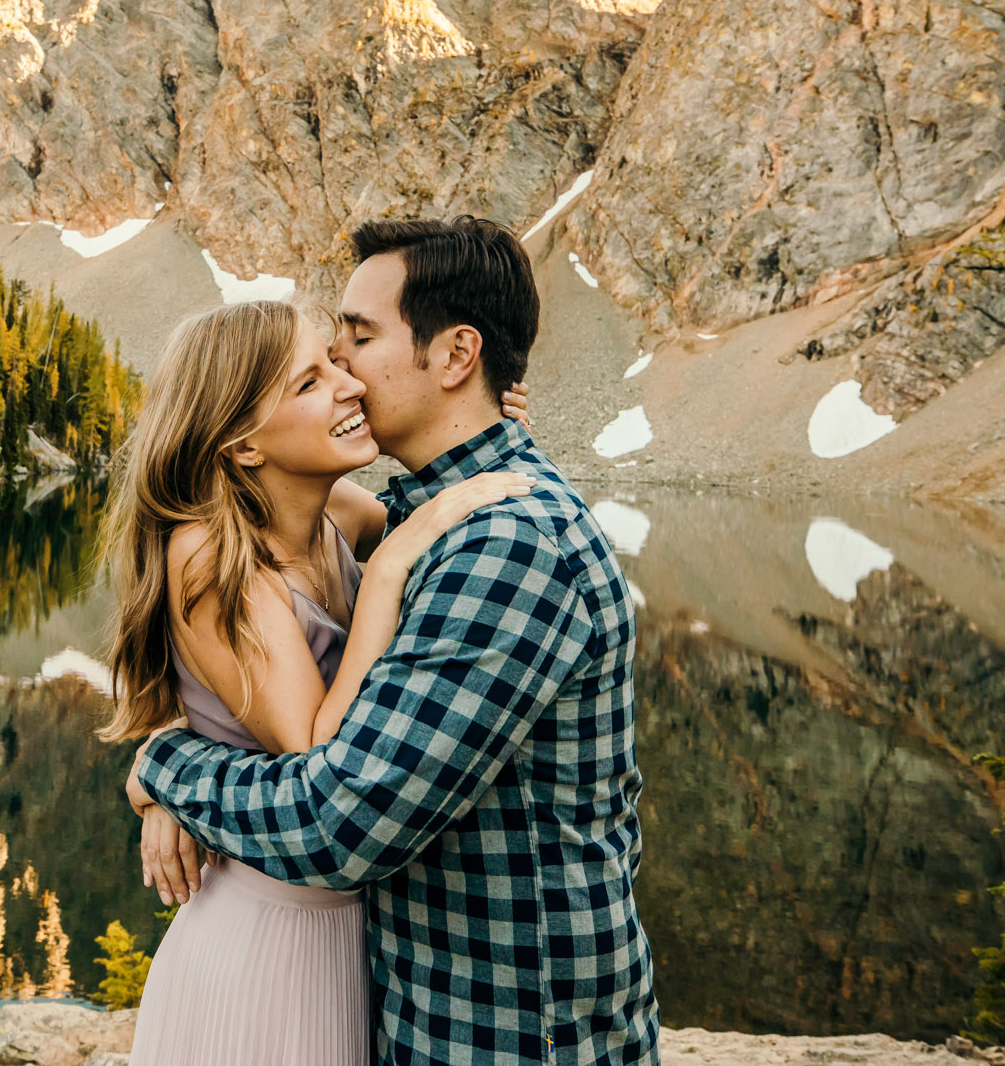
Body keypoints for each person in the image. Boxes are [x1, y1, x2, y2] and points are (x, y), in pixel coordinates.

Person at [127, 216, 659, 1066]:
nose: (345, 372)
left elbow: (337, 822)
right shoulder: (426, 516)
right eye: (322, 363)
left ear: (454, 357)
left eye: (358, 339)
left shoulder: (502, 546)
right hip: (395, 998)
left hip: (513, 1037)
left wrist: (170, 769)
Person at [101, 296, 533, 1066]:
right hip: (267, 944)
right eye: (309, 382)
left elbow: (442, 505)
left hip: (350, 930)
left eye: (336, 361)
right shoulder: (209, 553)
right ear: (241, 444)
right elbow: (312, 748)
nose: (349, 384)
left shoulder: (329, 505)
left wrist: (493, 427)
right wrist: (389, 571)